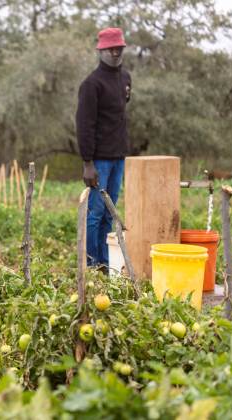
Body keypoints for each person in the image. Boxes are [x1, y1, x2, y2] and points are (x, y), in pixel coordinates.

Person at [76, 28, 132, 272]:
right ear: (101, 51)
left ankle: (105, 264)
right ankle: (91, 264)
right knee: (96, 213)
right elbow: (84, 124)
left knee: (110, 212)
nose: (115, 52)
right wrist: (87, 162)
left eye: (119, 48)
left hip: (118, 156)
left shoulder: (125, 78)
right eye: (110, 48)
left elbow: (119, 112)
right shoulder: (91, 84)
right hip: (99, 159)